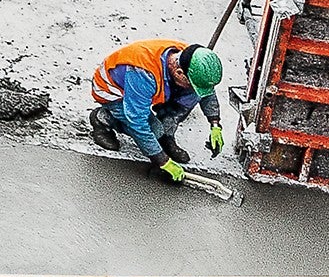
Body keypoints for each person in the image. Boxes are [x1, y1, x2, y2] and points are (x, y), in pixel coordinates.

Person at [87, 38, 225, 182]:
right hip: (113, 90)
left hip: (151, 86)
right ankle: (102, 118)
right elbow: (137, 121)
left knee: (192, 94)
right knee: (153, 130)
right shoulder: (143, 73)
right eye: (190, 82)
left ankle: (166, 137)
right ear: (179, 73)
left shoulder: (191, 59)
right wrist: (162, 161)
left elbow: (206, 92)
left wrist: (215, 124)